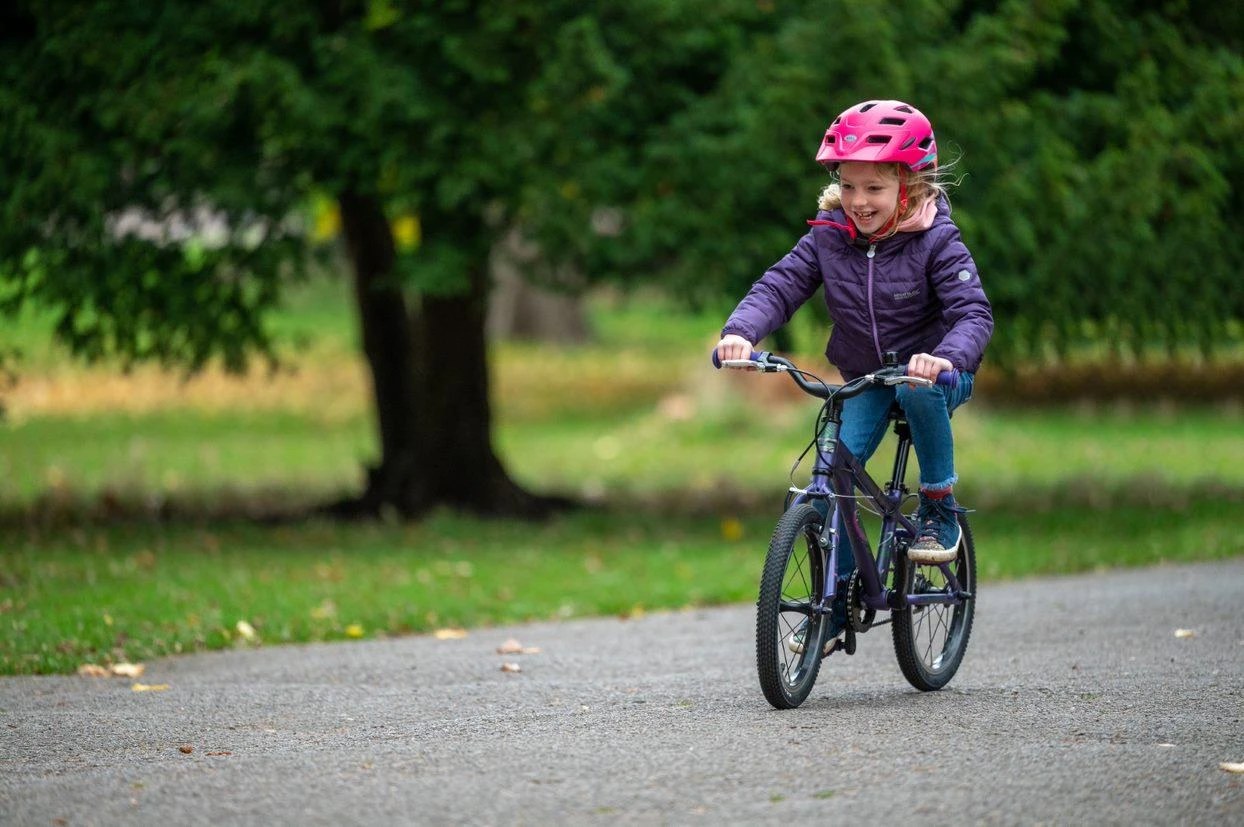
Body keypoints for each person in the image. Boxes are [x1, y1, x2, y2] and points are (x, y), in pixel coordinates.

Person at [714, 99, 993, 647]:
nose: (858, 202)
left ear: (907, 185)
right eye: (848, 186)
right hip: (866, 377)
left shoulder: (937, 240)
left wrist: (946, 356)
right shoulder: (828, 236)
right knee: (832, 472)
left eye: (874, 188)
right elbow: (781, 285)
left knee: (915, 391)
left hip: (936, 374)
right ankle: (836, 602)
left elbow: (972, 314)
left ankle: (939, 507)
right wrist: (741, 331)